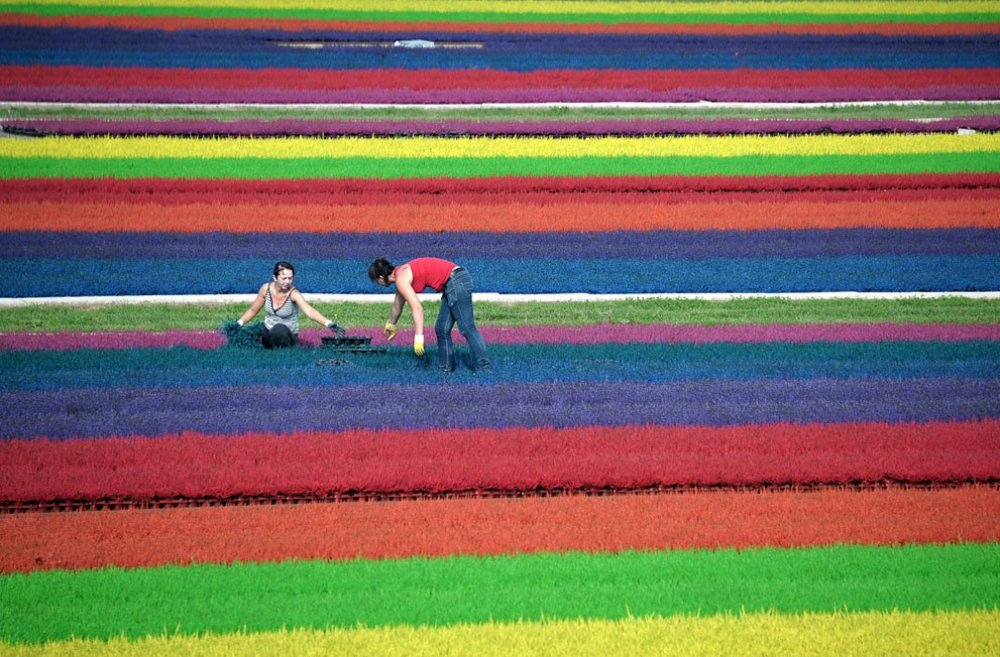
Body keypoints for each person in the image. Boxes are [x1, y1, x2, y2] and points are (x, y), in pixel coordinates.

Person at [368, 256, 490, 372]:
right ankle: (445, 370)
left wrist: (419, 338)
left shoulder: (401, 278)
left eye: (376, 281)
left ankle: (485, 369)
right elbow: (397, 304)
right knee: (442, 328)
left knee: (467, 328)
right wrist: (391, 324)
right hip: (452, 283)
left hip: (457, 280)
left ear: (380, 277)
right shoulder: (401, 273)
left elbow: (418, 309)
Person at [236, 261, 344, 348]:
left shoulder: (294, 293)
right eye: (284, 278)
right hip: (268, 332)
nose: (287, 281)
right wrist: (238, 324)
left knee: (278, 329)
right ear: (274, 277)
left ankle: (284, 353)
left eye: (290, 278)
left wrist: (329, 323)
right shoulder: (265, 289)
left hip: (287, 336)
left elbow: (309, 311)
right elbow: (253, 310)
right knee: (253, 333)